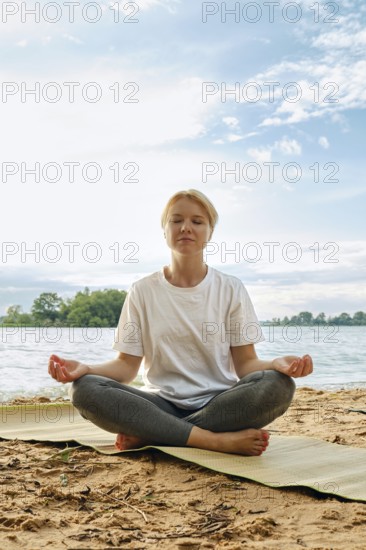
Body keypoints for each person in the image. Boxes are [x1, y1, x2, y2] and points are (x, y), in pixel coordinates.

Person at [48, 189, 313, 456]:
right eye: (176, 220)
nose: (186, 227)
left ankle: (156, 433)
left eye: (197, 222)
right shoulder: (142, 290)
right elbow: (126, 368)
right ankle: (213, 441)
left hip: (220, 405)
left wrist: (275, 364)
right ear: (164, 230)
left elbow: (245, 365)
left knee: (278, 385)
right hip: (159, 404)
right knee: (84, 390)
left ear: (210, 232)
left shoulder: (231, 288)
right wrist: (86, 368)